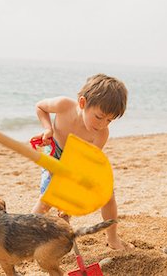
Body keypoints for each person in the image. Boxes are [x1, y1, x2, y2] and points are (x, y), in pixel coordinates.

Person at [31, 74, 132, 251]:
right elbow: (40, 107)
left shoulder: (101, 134)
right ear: (83, 103)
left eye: (109, 120)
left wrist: (70, 197)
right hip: (54, 152)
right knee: (48, 199)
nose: (102, 124)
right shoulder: (63, 105)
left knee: (107, 194)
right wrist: (48, 128)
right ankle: (24, 234)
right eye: (99, 117)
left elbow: (85, 163)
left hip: (80, 160)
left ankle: (112, 237)